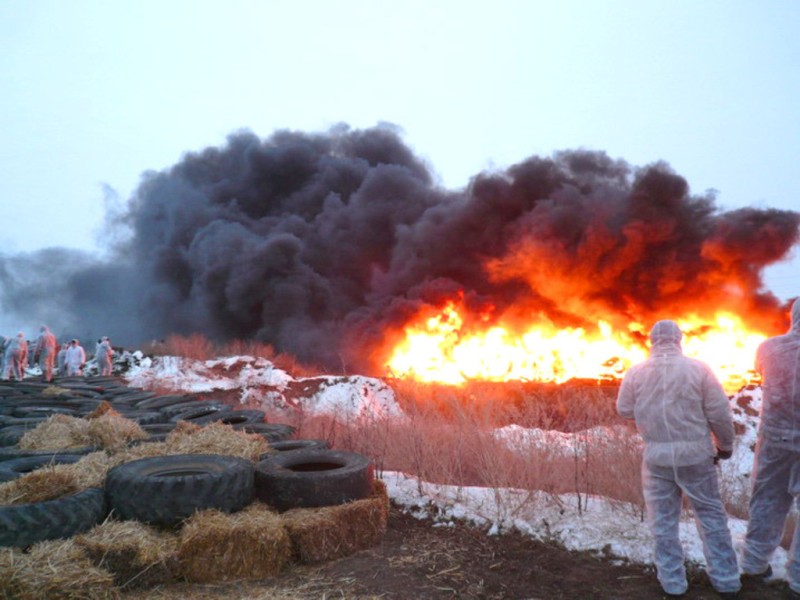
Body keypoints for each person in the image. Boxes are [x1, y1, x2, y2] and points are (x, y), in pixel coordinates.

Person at [616, 319, 740, 598]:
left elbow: (624, 408)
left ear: (652, 341)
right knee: (711, 517)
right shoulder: (699, 369)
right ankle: (727, 580)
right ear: (678, 340)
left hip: (657, 458)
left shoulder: (636, 373)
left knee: (662, 522)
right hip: (696, 456)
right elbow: (719, 414)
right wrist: (725, 446)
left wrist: (648, 409)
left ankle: (673, 583)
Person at [741, 299, 800, 597]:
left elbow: (759, 371)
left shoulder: (769, 348)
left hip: (775, 439)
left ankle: (753, 563)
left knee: (766, 500)